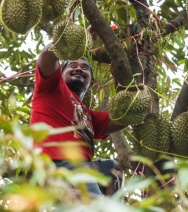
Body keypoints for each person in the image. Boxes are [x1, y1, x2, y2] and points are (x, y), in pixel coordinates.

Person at [30, 42, 125, 196]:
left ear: (90, 83)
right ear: (60, 74)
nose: (79, 68)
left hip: (82, 166)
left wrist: (135, 89)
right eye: (73, 65)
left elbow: (123, 118)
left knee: (112, 168)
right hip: (55, 163)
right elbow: (47, 57)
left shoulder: (88, 115)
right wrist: (74, 38)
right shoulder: (51, 88)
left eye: (85, 67)